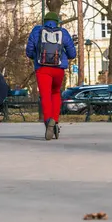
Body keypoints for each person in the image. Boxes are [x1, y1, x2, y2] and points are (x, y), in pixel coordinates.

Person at [26, 12, 76, 140]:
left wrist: (37, 56)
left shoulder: (37, 31)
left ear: (44, 21)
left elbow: (29, 51)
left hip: (42, 69)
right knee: (56, 93)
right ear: (57, 22)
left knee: (45, 95)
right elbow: (72, 53)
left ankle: (48, 121)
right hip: (58, 69)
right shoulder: (63, 32)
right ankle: (55, 119)